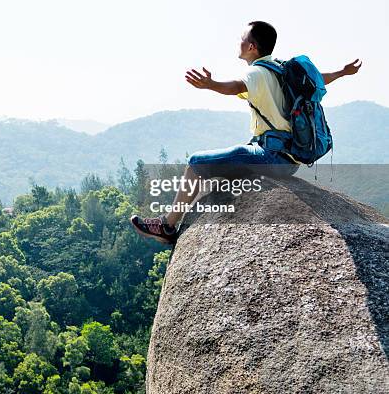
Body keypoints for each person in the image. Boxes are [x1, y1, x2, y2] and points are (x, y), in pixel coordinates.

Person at [130, 20, 362, 244]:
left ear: (252, 47)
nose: (238, 42)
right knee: (230, 159)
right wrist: (343, 72)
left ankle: (167, 226)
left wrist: (211, 84)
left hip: (271, 158)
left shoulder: (257, 73)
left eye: (242, 38)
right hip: (291, 158)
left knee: (195, 162)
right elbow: (319, 80)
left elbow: (237, 87)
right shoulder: (282, 69)